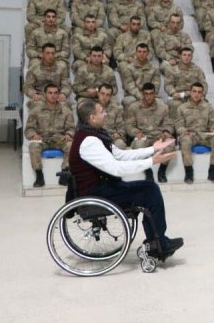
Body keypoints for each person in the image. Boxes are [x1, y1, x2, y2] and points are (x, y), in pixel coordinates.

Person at [69, 98, 182, 259]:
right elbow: (115, 167)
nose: (106, 113)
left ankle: (156, 242)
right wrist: (151, 161)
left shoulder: (93, 135)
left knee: (149, 188)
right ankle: (158, 245)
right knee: (150, 190)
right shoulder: (89, 141)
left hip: (103, 187)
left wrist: (152, 149)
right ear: (92, 118)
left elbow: (120, 155)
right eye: (102, 112)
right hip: (97, 193)